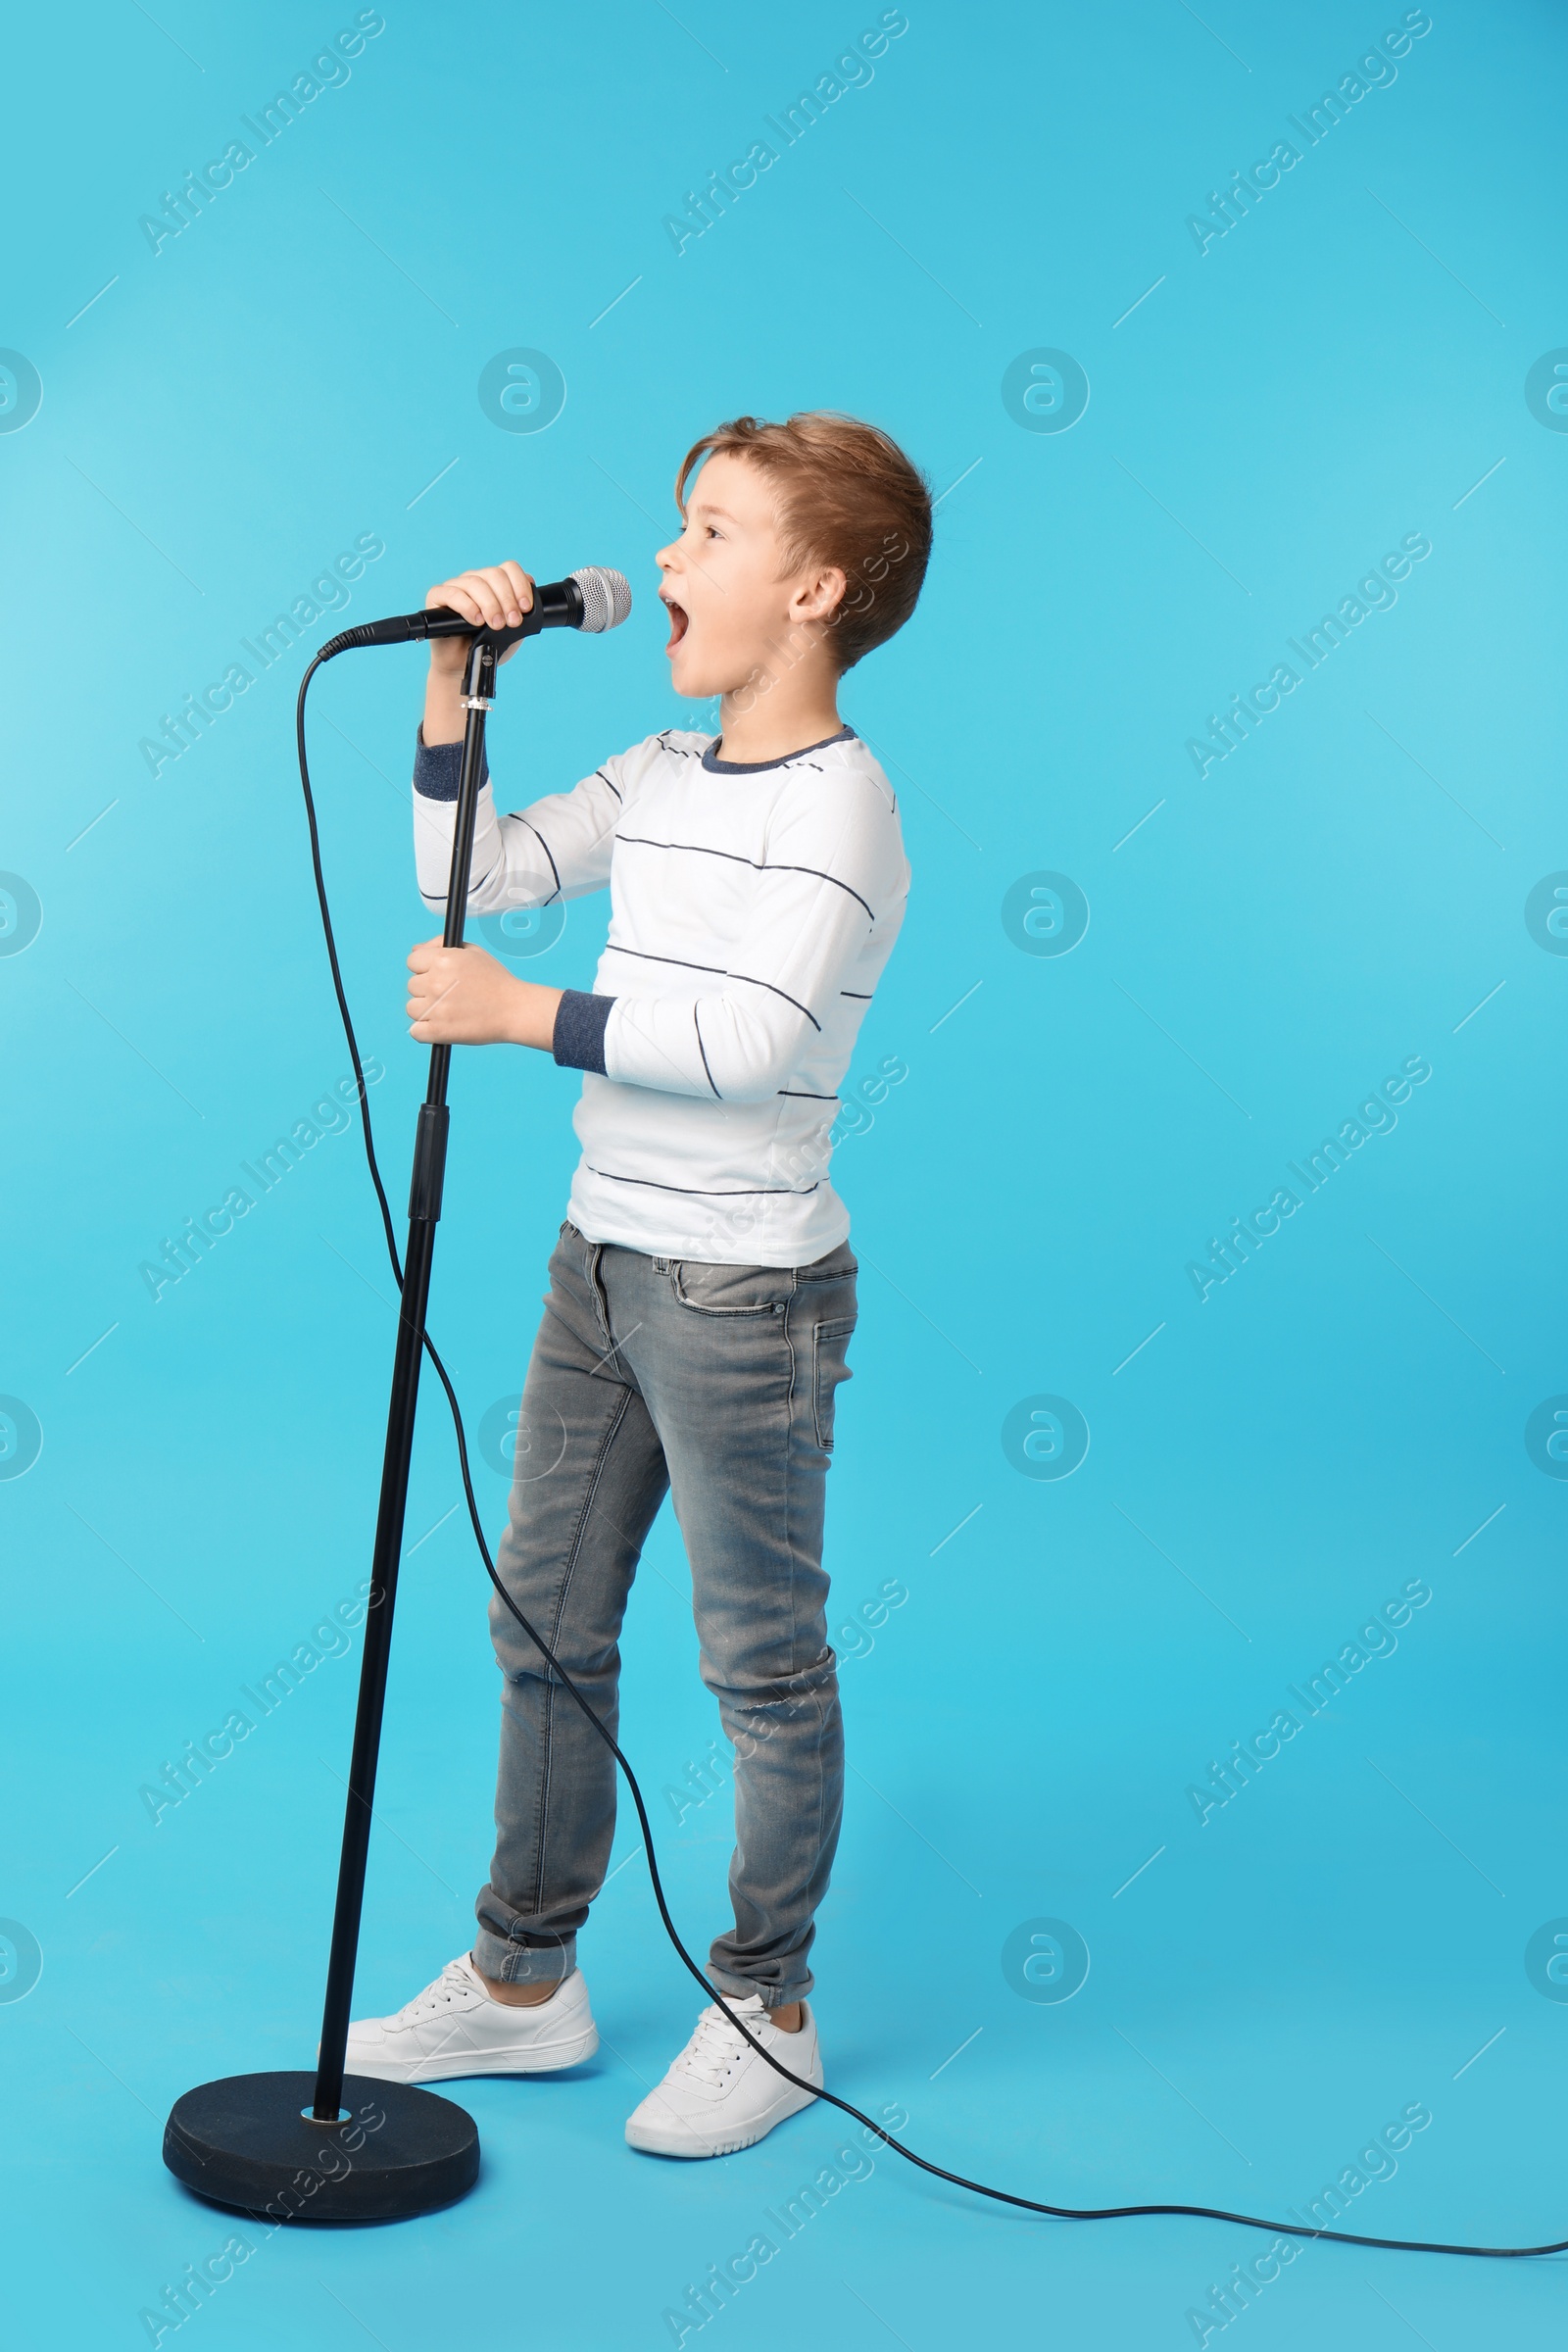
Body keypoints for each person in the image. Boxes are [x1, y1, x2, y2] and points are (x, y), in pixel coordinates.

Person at [344, 411, 931, 2158]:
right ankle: (524, 1983)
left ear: (814, 587)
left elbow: (748, 1044)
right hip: (599, 1258)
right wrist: (456, 691)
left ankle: (772, 2003)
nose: (664, 561)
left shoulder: (847, 806)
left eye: (710, 532)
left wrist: (522, 1018)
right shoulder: (668, 774)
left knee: (760, 1660)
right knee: (546, 1620)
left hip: (745, 1293)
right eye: (676, 529)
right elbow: (481, 873)